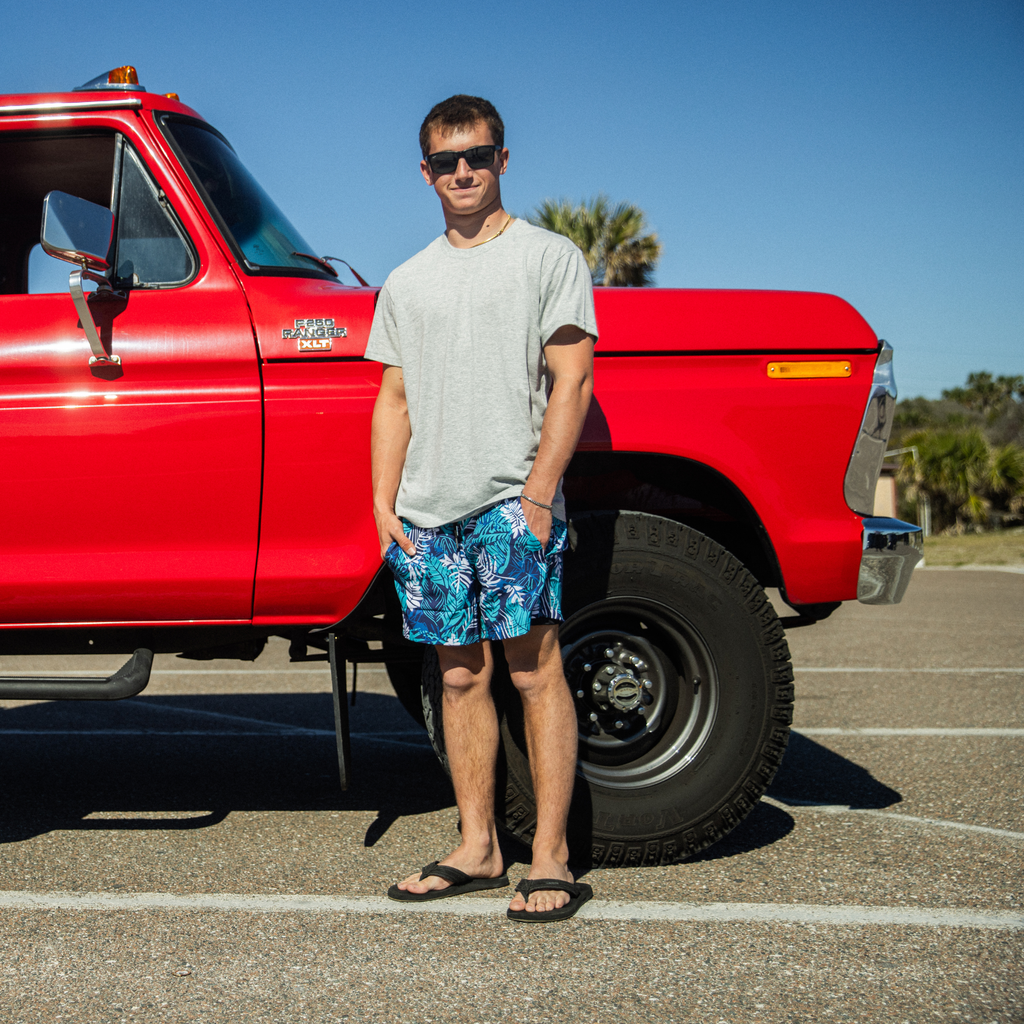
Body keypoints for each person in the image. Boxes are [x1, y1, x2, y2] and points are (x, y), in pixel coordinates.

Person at [364, 95, 597, 922]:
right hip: (427, 516)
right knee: (459, 677)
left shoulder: (547, 257)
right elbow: (394, 396)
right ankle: (478, 847)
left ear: (503, 159)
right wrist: (383, 505)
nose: (463, 172)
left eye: (478, 155)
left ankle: (551, 855)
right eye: (446, 161)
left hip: (509, 502)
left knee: (536, 672)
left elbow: (572, 379)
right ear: (424, 172)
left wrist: (538, 494)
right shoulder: (408, 279)